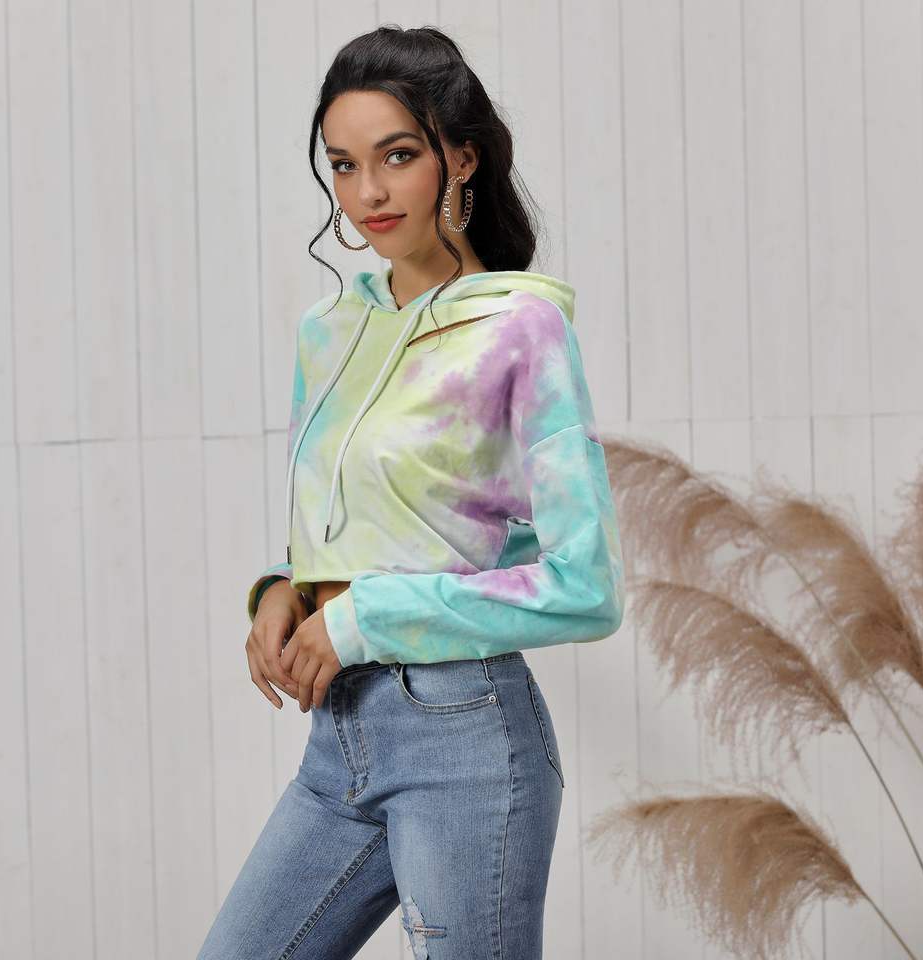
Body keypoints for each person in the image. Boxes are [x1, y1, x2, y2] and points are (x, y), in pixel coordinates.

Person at [196, 23, 625, 960]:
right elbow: (370, 529)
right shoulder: (329, 330)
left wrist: (363, 620)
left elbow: (586, 587)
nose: (368, 194)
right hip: (338, 738)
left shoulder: (519, 329)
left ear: (460, 157)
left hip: (462, 737)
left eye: (397, 156)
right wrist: (285, 588)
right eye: (344, 165)